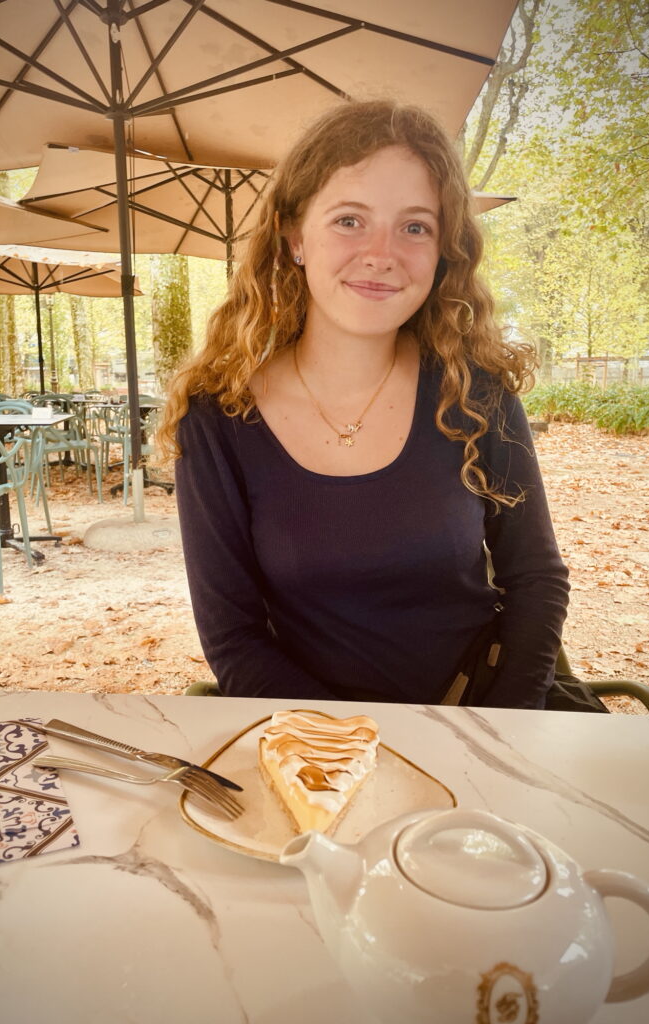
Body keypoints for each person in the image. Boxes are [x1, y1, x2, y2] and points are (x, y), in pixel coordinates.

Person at [160, 99, 569, 709]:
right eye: (350, 220)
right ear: (294, 237)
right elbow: (234, 639)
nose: (382, 253)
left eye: (415, 227)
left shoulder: (477, 391)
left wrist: (493, 733)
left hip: (489, 713)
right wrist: (349, 747)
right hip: (316, 739)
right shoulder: (218, 416)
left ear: (443, 249)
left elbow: (536, 579)